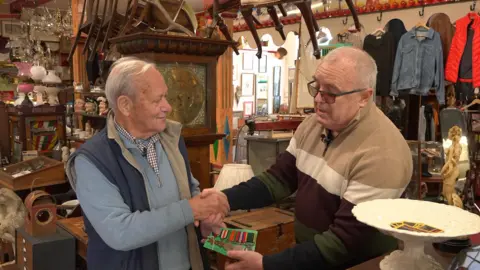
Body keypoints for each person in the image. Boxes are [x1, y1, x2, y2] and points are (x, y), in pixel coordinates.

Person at [203, 47, 413, 270]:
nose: (318, 99)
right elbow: (278, 180)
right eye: (317, 86)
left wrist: (268, 265)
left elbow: (342, 243)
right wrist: (223, 200)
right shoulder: (315, 124)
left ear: (364, 97)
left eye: (331, 92)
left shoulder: (382, 155)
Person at [66, 57, 228, 270]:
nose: (167, 107)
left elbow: (189, 190)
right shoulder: (91, 160)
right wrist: (191, 210)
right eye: (157, 100)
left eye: (166, 97)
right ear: (125, 105)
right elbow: (120, 232)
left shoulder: (171, 138)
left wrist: (205, 217)